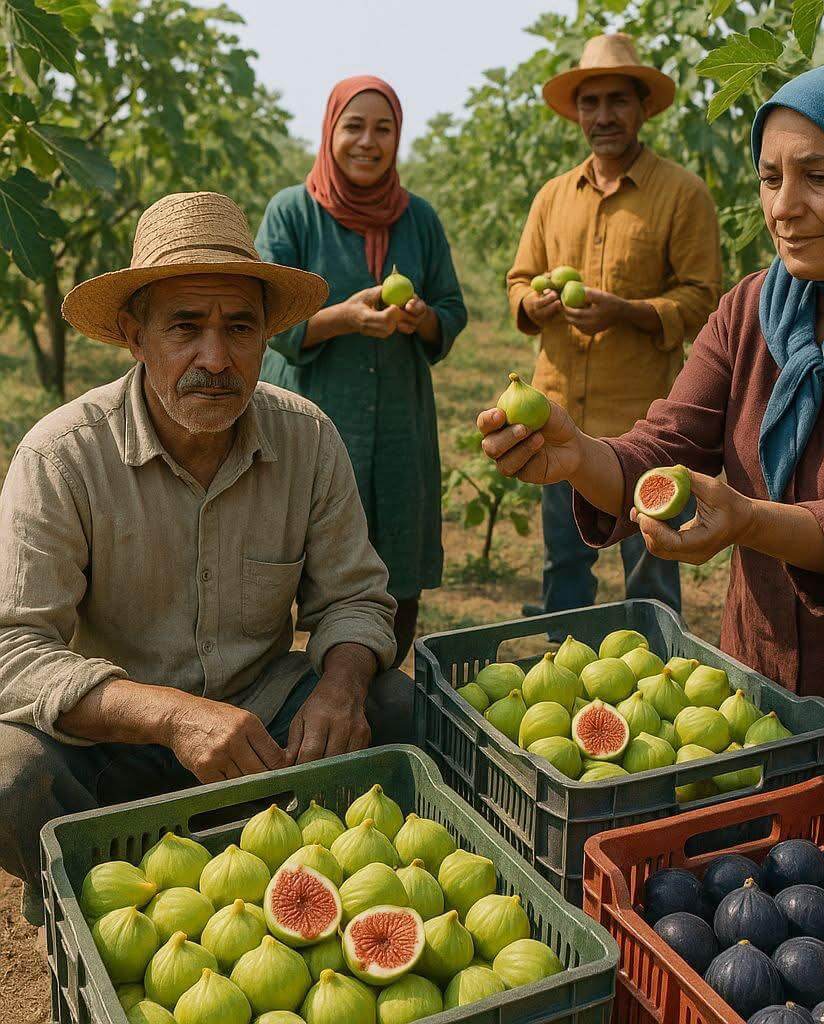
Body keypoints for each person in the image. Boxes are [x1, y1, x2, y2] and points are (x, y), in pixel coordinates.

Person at [481, 62, 824, 861]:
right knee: (768, 894)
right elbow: (667, 444)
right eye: (770, 178)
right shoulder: (754, 308)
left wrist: (747, 522)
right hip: (771, 683)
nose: (783, 206)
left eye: (819, 177)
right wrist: (578, 456)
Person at [0, 192, 413, 926]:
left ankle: (314, 868)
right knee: (9, 774)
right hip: (116, 736)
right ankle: (87, 905)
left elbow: (355, 598)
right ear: (135, 337)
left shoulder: (307, 438)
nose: (216, 360)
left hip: (267, 725)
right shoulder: (62, 456)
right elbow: (13, 650)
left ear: (266, 338)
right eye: (185, 327)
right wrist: (170, 716)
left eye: (240, 328)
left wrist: (340, 686)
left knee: (399, 707)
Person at [507, 32, 723, 624]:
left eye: (617, 101)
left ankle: (661, 664)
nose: (602, 116)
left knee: (652, 565)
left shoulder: (683, 194)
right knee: (562, 565)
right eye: (590, 102)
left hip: (643, 424)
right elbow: (519, 280)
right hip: (557, 417)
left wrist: (625, 311)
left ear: (643, 108)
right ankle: (558, 663)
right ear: (577, 112)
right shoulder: (552, 197)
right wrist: (534, 305)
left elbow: (704, 300)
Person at [257, 77, 467, 665]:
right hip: (310, 417)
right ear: (330, 131)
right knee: (292, 558)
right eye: (354, 126)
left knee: (396, 564)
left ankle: (378, 689)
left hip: (400, 419)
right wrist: (342, 318)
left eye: (383, 128)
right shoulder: (293, 212)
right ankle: (291, 693)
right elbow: (265, 315)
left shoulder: (419, 218)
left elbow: (452, 309)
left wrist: (424, 318)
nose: (368, 142)